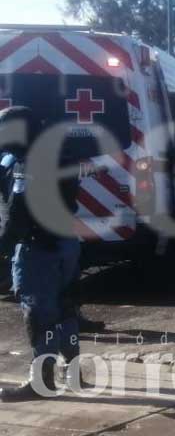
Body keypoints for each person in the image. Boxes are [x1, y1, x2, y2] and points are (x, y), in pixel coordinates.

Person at [0, 107, 82, 402]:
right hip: (66, 242)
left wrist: (3, 250)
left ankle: (41, 382)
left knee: (38, 313)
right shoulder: (60, 150)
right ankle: (74, 374)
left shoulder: (26, 161)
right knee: (66, 307)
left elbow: (19, 215)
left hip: (38, 248)